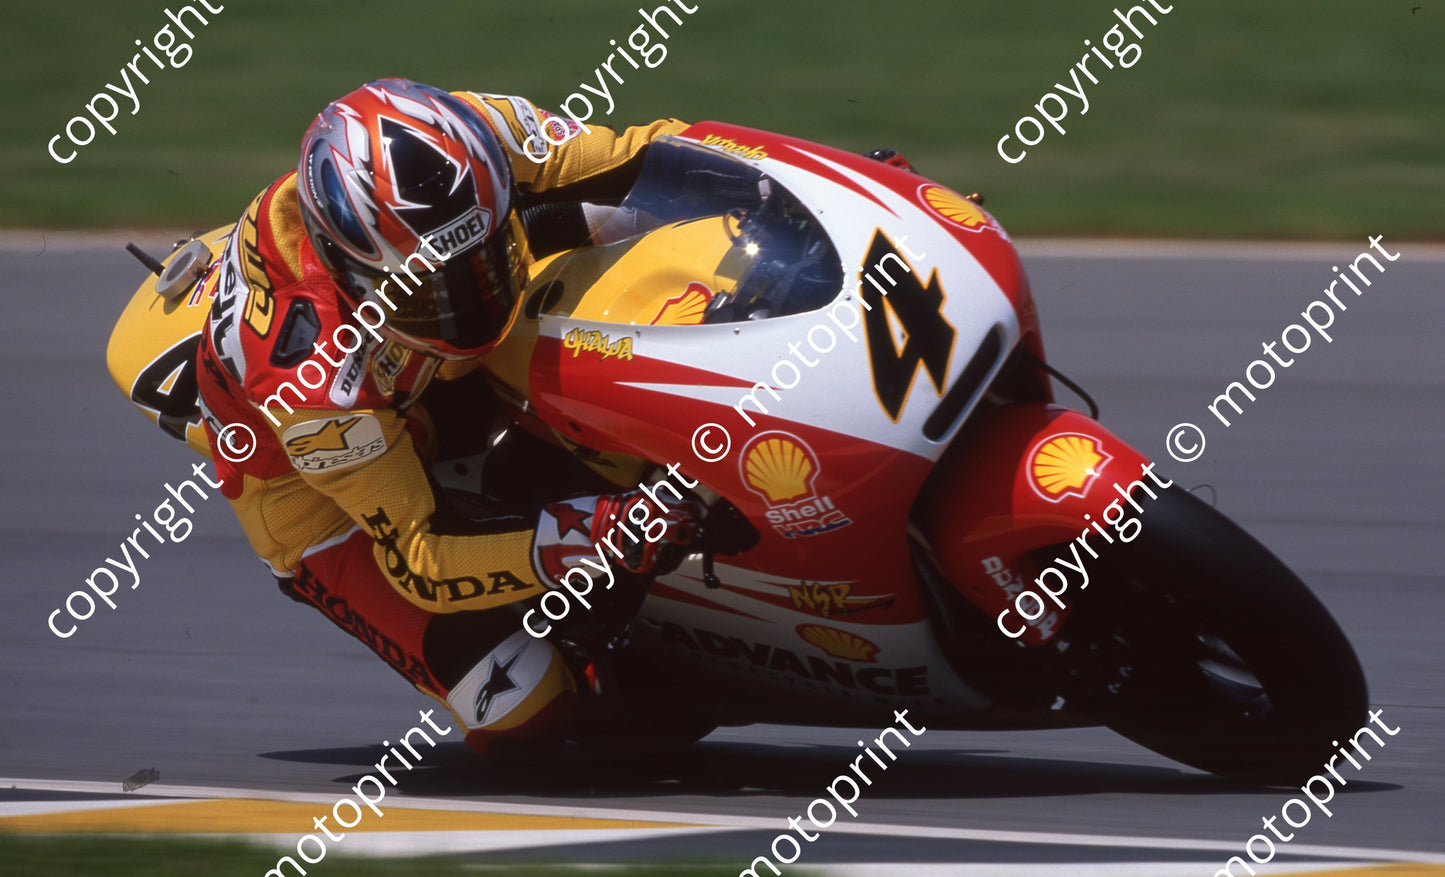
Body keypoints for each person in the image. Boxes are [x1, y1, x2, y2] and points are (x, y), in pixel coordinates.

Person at [194, 78, 701, 753]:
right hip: (314, 495)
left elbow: (654, 154)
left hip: (421, 371)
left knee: (639, 216)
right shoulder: (314, 381)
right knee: (523, 706)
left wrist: (833, 187)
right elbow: (422, 558)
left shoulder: (473, 137)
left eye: (476, 271)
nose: (466, 307)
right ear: (356, 275)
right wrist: (592, 536)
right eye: (430, 294)